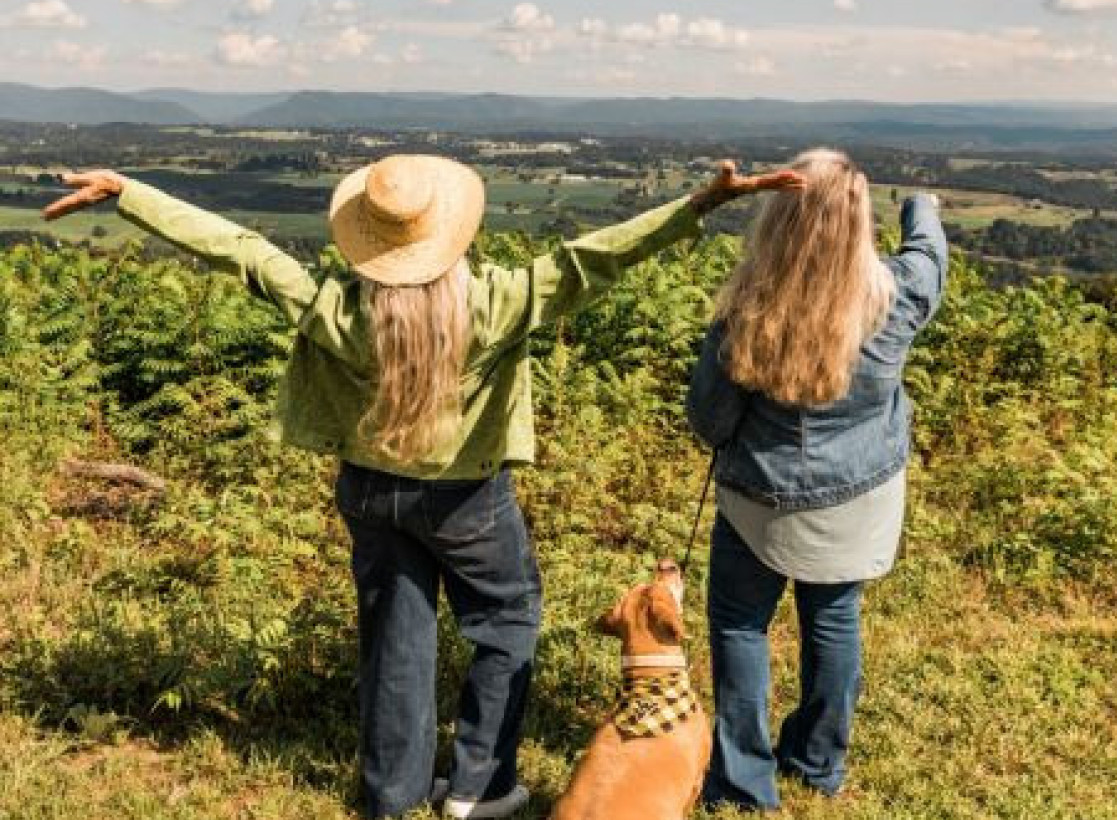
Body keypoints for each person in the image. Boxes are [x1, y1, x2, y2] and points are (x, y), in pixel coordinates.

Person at [44, 156, 801, 820]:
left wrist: (128, 193)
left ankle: (394, 793)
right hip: (469, 499)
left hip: (370, 492)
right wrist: (701, 204)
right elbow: (592, 259)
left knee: (395, 638)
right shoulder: (496, 303)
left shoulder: (336, 310)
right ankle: (479, 785)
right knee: (506, 624)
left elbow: (242, 250)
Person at [685, 148, 947, 811]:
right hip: (858, 497)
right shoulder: (899, 297)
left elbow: (711, 419)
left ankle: (744, 783)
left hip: (758, 503)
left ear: (779, 222)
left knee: (741, 628)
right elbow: (930, 256)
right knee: (834, 621)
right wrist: (923, 208)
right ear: (859, 225)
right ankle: (817, 762)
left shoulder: (747, 311)